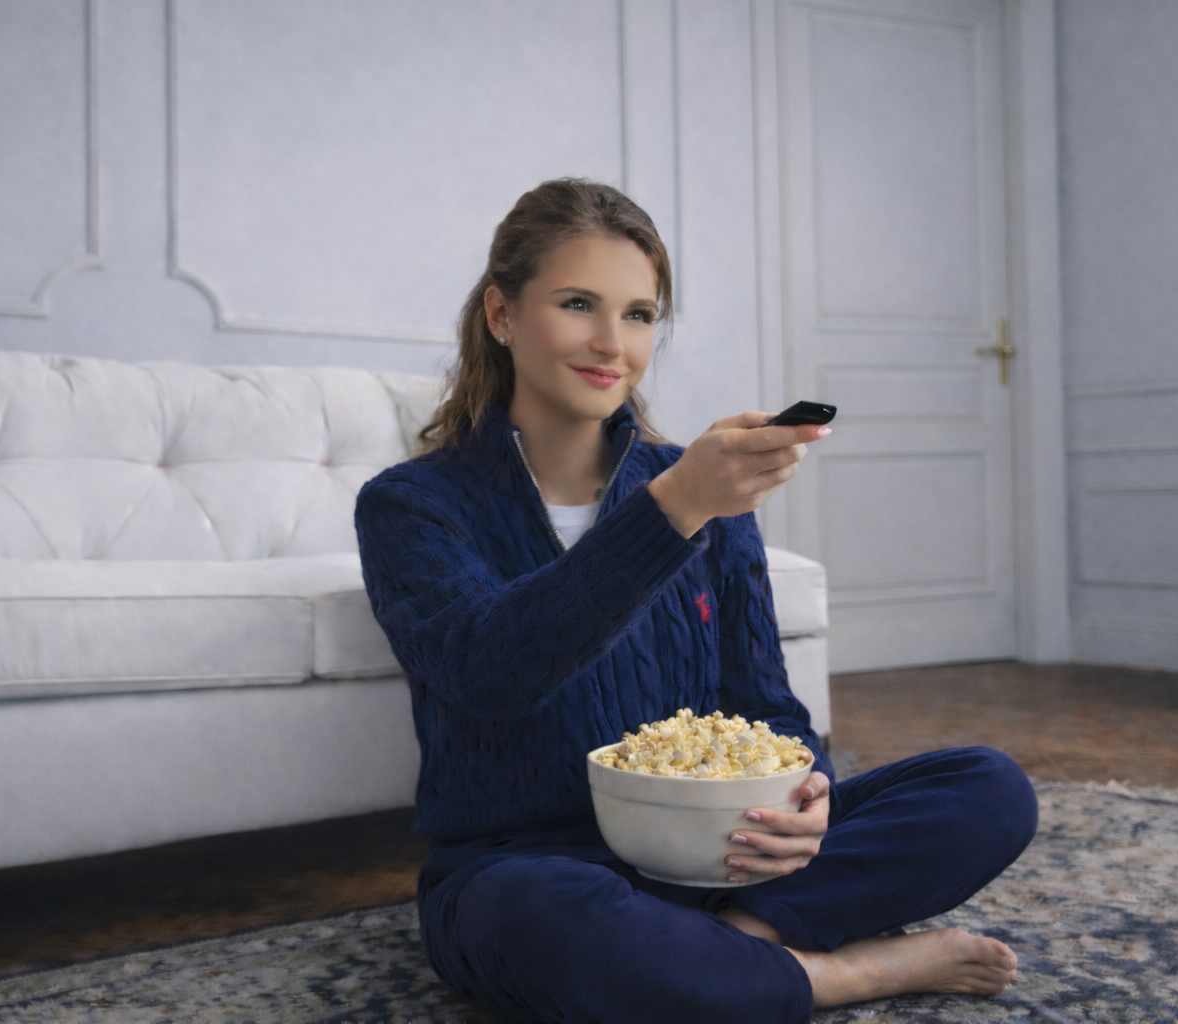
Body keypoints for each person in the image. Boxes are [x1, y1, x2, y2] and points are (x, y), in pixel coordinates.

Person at [355, 178, 1037, 1023]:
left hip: (725, 858)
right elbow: (489, 671)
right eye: (578, 304)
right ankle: (842, 973)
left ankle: (734, 951)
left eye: (640, 314)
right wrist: (671, 509)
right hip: (535, 867)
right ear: (502, 314)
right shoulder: (411, 505)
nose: (613, 343)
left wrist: (808, 795)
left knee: (989, 788)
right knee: (537, 919)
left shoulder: (708, 497)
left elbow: (767, 709)